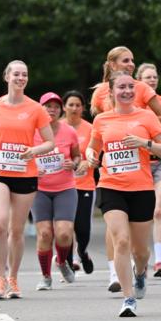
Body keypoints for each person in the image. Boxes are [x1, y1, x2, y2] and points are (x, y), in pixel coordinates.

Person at [86, 72, 161, 316]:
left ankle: (141, 272)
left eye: (130, 87)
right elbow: (93, 148)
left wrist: (145, 144)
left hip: (141, 188)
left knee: (141, 251)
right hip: (111, 185)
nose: (126, 91)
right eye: (121, 87)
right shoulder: (102, 120)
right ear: (111, 92)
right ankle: (128, 298)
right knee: (121, 240)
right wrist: (90, 156)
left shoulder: (147, 116)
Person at [0, 60, 54, 300]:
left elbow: (49, 141)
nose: (21, 78)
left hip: (25, 173)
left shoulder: (36, 109)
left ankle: (14, 278)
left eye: (25, 75)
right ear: (7, 77)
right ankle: (0, 278)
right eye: (17, 74)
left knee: (17, 230)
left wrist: (35, 151)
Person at [32, 92, 81, 290]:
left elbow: (77, 156)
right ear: (40, 109)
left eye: (56, 106)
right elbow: (22, 157)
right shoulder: (31, 131)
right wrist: (33, 167)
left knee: (64, 234)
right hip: (39, 189)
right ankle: (45, 277)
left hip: (65, 188)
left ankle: (61, 262)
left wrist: (73, 163)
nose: (52, 109)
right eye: (47, 106)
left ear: (61, 110)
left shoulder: (69, 131)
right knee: (44, 234)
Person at [135, 63, 161, 277]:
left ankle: (160, 261)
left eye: (155, 77)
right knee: (141, 214)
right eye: (148, 77)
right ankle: (138, 256)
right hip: (138, 164)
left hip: (159, 163)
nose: (152, 80)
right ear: (139, 80)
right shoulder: (133, 105)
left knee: (158, 210)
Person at [63, 90, 96, 274]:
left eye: (78, 105)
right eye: (71, 105)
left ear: (83, 108)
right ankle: (67, 263)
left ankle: (82, 252)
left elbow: (99, 154)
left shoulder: (90, 129)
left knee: (82, 228)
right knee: (65, 228)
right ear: (64, 107)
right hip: (61, 186)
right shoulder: (56, 128)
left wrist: (87, 161)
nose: (74, 108)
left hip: (85, 184)